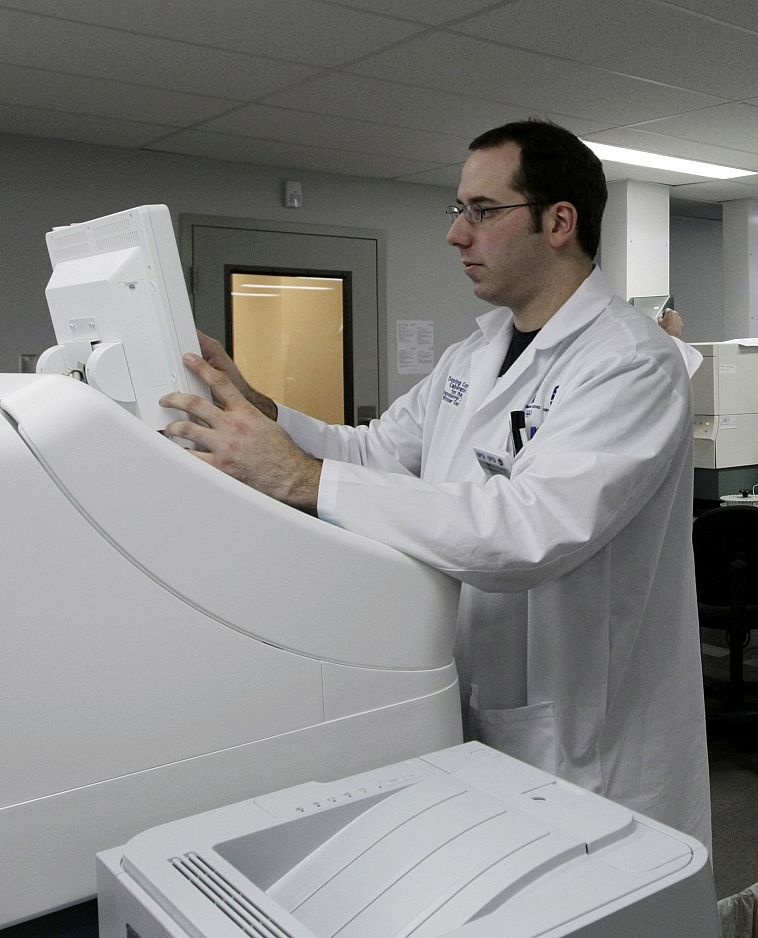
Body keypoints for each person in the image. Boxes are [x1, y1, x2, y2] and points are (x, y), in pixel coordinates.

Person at [160, 119, 712, 849]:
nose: (457, 234)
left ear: (558, 222)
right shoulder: (472, 356)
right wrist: (260, 410)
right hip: (483, 695)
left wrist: (299, 476)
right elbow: (375, 452)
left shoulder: (630, 361)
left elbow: (531, 532)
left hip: (588, 732)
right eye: (458, 211)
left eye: (482, 211)